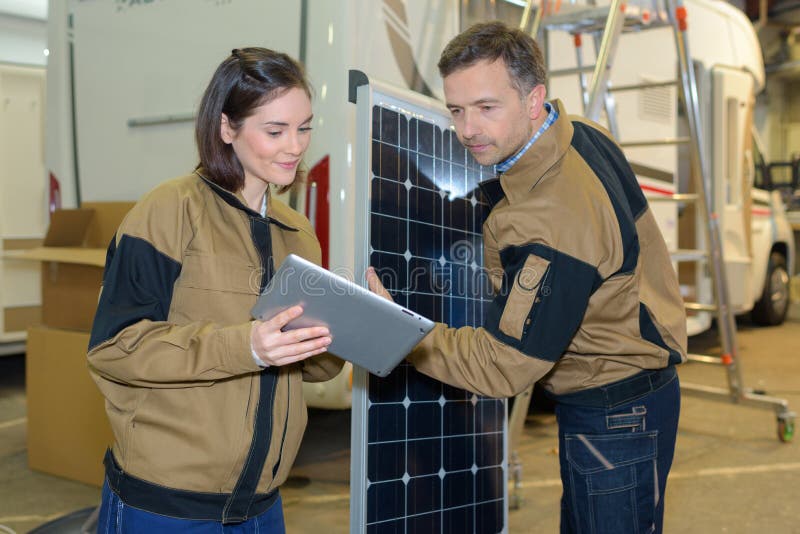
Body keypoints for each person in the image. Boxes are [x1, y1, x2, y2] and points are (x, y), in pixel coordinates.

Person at [367, 21, 686, 534]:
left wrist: (400, 335)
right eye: (456, 109)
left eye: (486, 107)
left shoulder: (551, 218)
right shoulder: (582, 132)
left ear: (534, 99)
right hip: (639, 393)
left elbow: (505, 367)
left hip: (614, 416)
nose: (467, 129)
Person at [88, 47, 342, 532]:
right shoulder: (168, 210)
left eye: (304, 127)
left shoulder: (298, 232)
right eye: (275, 131)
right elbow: (115, 347)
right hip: (165, 506)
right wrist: (246, 345)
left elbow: (314, 369)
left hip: (263, 506)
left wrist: (347, 327)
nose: (295, 145)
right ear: (227, 128)